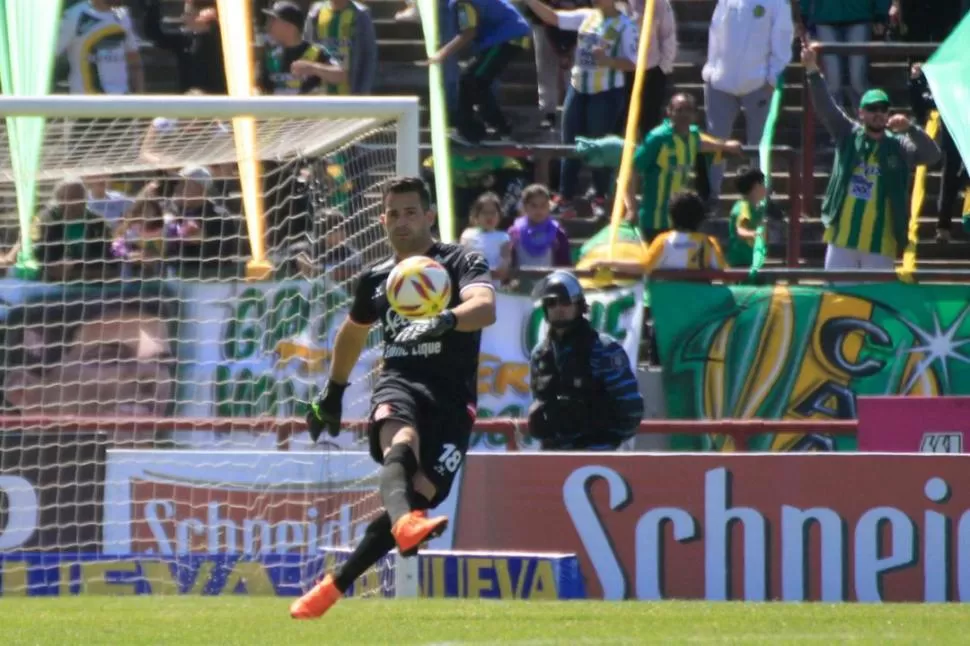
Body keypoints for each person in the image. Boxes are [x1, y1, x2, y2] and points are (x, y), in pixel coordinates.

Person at [290, 176, 496, 620]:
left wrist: (444, 321)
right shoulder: (378, 278)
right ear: (383, 221)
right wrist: (333, 392)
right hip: (399, 382)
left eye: (410, 212)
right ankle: (400, 527)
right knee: (399, 444)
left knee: (420, 495)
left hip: (452, 398)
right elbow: (352, 332)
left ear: (429, 216)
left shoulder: (460, 260)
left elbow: (485, 307)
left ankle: (335, 584)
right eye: (393, 215)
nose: (401, 223)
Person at [802, 44, 941, 270]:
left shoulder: (899, 146)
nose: (878, 113)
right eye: (872, 108)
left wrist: (911, 129)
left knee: (874, 303)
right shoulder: (847, 133)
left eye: (883, 109)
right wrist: (811, 70)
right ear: (861, 112)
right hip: (842, 241)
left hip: (881, 245)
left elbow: (933, 155)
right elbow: (825, 107)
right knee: (836, 302)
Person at [524, 0, 638, 203]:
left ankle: (601, 194)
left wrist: (608, 61)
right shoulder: (587, 16)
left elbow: (633, 62)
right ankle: (565, 194)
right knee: (569, 140)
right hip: (578, 89)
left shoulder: (626, 25)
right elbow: (553, 17)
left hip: (606, 92)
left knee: (598, 143)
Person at [527, 270, 643, 450]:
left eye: (565, 301)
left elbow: (631, 410)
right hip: (551, 457)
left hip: (597, 455)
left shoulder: (605, 350)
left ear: (579, 305)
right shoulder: (539, 354)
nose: (558, 308)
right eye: (551, 302)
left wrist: (604, 439)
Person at [702, 0, 793, 204]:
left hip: (758, 84)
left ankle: (759, 200)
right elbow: (715, 32)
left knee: (760, 144)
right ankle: (710, 196)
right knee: (716, 142)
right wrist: (711, 70)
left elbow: (782, 41)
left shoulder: (778, 4)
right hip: (720, 82)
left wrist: (771, 77)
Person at [627, 93, 743, 238]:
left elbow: (701, 143)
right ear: (669, 111)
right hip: (654, 221)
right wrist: (631, 208)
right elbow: (631, 170)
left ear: (695, 115)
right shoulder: (658, 138)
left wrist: (725, 145)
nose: (684, 115)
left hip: (680, 221)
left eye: (688, 110)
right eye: (679, 110)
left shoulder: (692, 136)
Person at [424, 0, 531, 144]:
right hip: (505, 37)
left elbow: (469, 32)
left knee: (473, 79)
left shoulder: (463, 2)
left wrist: (441, 54)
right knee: (472, 80)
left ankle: (494, 130)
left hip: (508, 37)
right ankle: (470, 130)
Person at [594, 190, 726, 275]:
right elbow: (724, 272)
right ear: (701, 218)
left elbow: (643, 266)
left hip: (667, 307)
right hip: (700, 307)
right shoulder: (709, 242)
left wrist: (606, 262)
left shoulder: (663, 240)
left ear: (671, 216)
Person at [909, 62, 967, 242]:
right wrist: (916, 81)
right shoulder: (946, 84)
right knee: (950, 173)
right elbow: (923, 104)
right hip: (953, 126)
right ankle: (943, 226)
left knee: (958, 175)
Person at [800, 0, 890, 110]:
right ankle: (834, 124)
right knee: (833, 81)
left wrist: (881, 13)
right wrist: (803, 13)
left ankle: (866, 121)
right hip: (825, 16)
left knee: (858, 80)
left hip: (860, 15)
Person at [57, 0, 144, 96]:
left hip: (120, 100)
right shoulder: (74, 15)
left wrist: (138, 95)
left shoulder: (122, 16)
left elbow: (133, 58)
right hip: (86, 101)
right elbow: (46, 56)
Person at [142, 0, 226, 94]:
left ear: (203, 16)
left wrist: (217, 19)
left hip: (216, 97)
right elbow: (154, 33)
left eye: (188, 14)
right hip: (190, 97)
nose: (183, 18)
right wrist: (154, 5)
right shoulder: (185, 42)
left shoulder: (222, 41)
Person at [622, 0, 678, 137]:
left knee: (650, 121)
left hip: (652, 71)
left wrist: (663, 68)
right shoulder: (619, 4)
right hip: (622, 71)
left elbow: (668, 36)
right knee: (623, 121)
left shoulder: (661, 4)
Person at [259, 1, 335, 95]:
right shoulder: (270, 56)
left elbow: (341, 76)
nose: (269, 25)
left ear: (289, 26)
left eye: (274, 20)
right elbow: (258, 88)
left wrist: (314, 68)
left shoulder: (317, 53)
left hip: (308, 109)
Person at [304, 0, 378, 95]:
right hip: (320, 93)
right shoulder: (316, 13)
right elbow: (307, 48)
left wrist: (363, 92)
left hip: (351, 93)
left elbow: (369, 56)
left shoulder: (360, 15)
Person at [507, 183, 572, 268]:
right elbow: (508, 263)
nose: (539, 210)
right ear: (525, 207)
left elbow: (565, 265)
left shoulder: (558, 233)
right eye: (533, 206)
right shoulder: (515, 232)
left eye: (543, 205)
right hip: (521, 280)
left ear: (549, 206)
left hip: (551, 280)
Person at [460, 192, 512, 282]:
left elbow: (504, 266)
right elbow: (462, 262)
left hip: (494, 287)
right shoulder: (467, 235)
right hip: (471, 284)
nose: (489, 217)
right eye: (484, 213)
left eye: (493, 213)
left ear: (499, 215)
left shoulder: (503, 237)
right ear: (477, 215)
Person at [726, 166, 768, 268]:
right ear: (756, 186)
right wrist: (755, 234)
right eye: (763, 184)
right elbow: (740, 230)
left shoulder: (756, 208)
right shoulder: (743, 207)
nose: (765, 188)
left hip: (751, 260)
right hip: (741, 262)